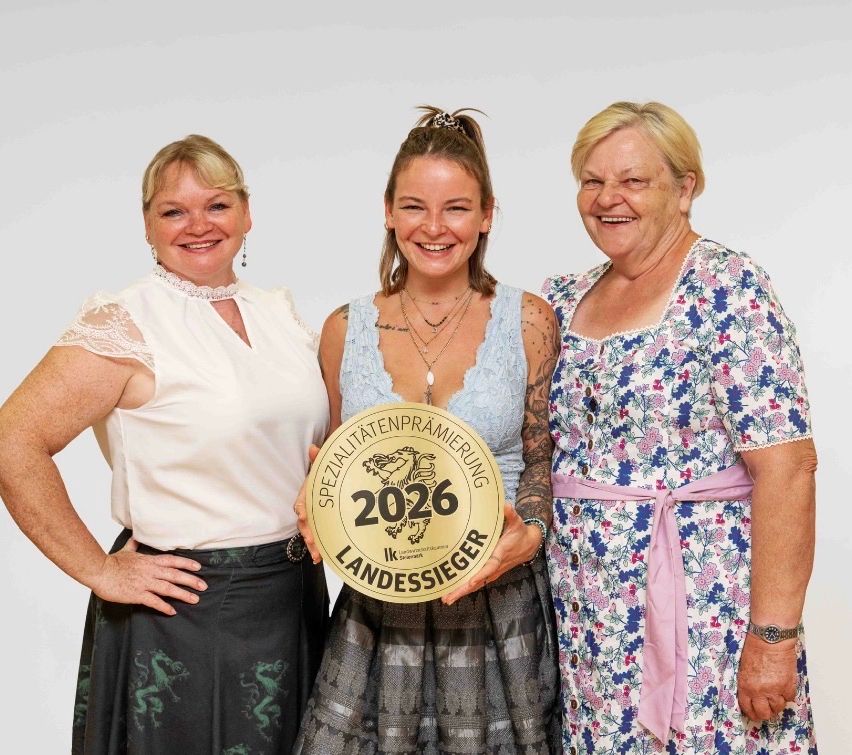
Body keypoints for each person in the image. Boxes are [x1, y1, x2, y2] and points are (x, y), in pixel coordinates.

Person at [0, 134, 329, 753]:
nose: (198, 225)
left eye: (217, 205)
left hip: (291, 598)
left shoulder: (278, 312)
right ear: (147, 225)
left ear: (247, 213)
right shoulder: (127, 322)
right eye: (173, 210)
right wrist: (97, 569)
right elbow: (12, 439)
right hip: (184, 610)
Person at [543, 101, 817, 754]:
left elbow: (787, 467)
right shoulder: (558, 300)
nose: (609, 198)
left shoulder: (728, 291)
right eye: (592, 179)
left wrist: (773, 637)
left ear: (685, 187)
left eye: (633, 180)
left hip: (707, 620)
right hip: (589, 624)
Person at [293, 107, 562, 753]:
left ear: (488, 213)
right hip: (378, 610)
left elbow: (541, 458)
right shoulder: (344, 328)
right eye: (415, 206)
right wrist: (314, 501)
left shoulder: (529, 320)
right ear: (387, 210)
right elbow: (335, 463)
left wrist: (528, 534)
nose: (435, 228)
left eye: (457, 208)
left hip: (498, 605)